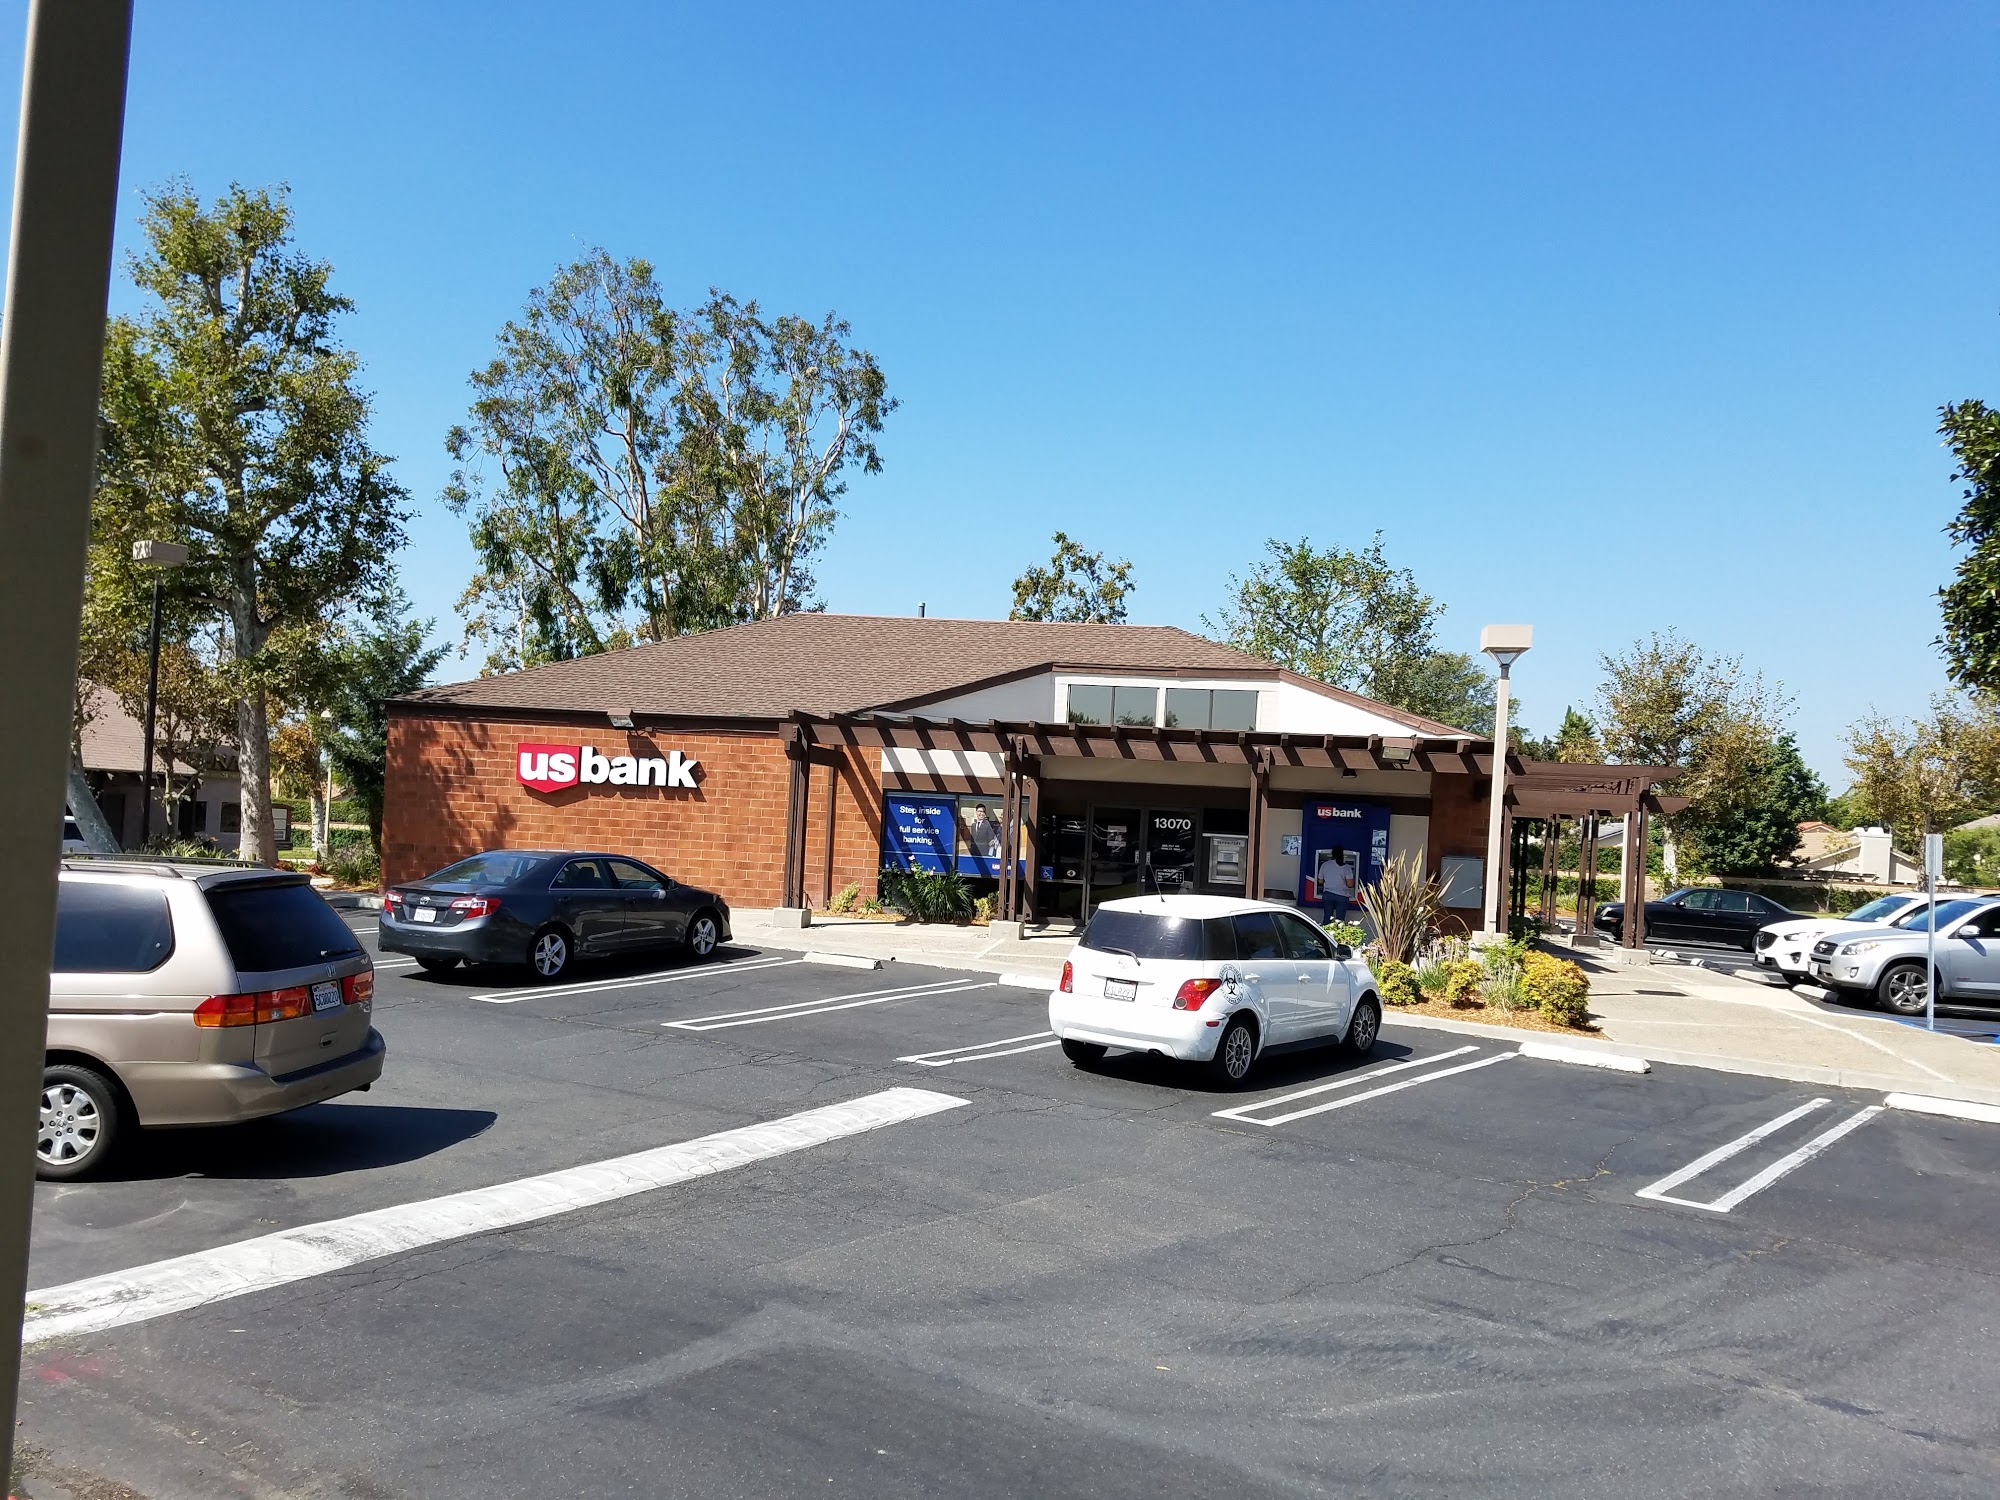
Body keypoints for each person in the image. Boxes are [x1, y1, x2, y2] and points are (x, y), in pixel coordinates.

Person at [1317, 846, 1355, 925]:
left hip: (1328, 895)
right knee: (1340, 921)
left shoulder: (1325, 865)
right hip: (1342, 896)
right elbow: (1350, 884)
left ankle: (1324, 932)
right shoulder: (1346, 867)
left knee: (1327, 918)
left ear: (1332, 854)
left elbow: (1320, 881)